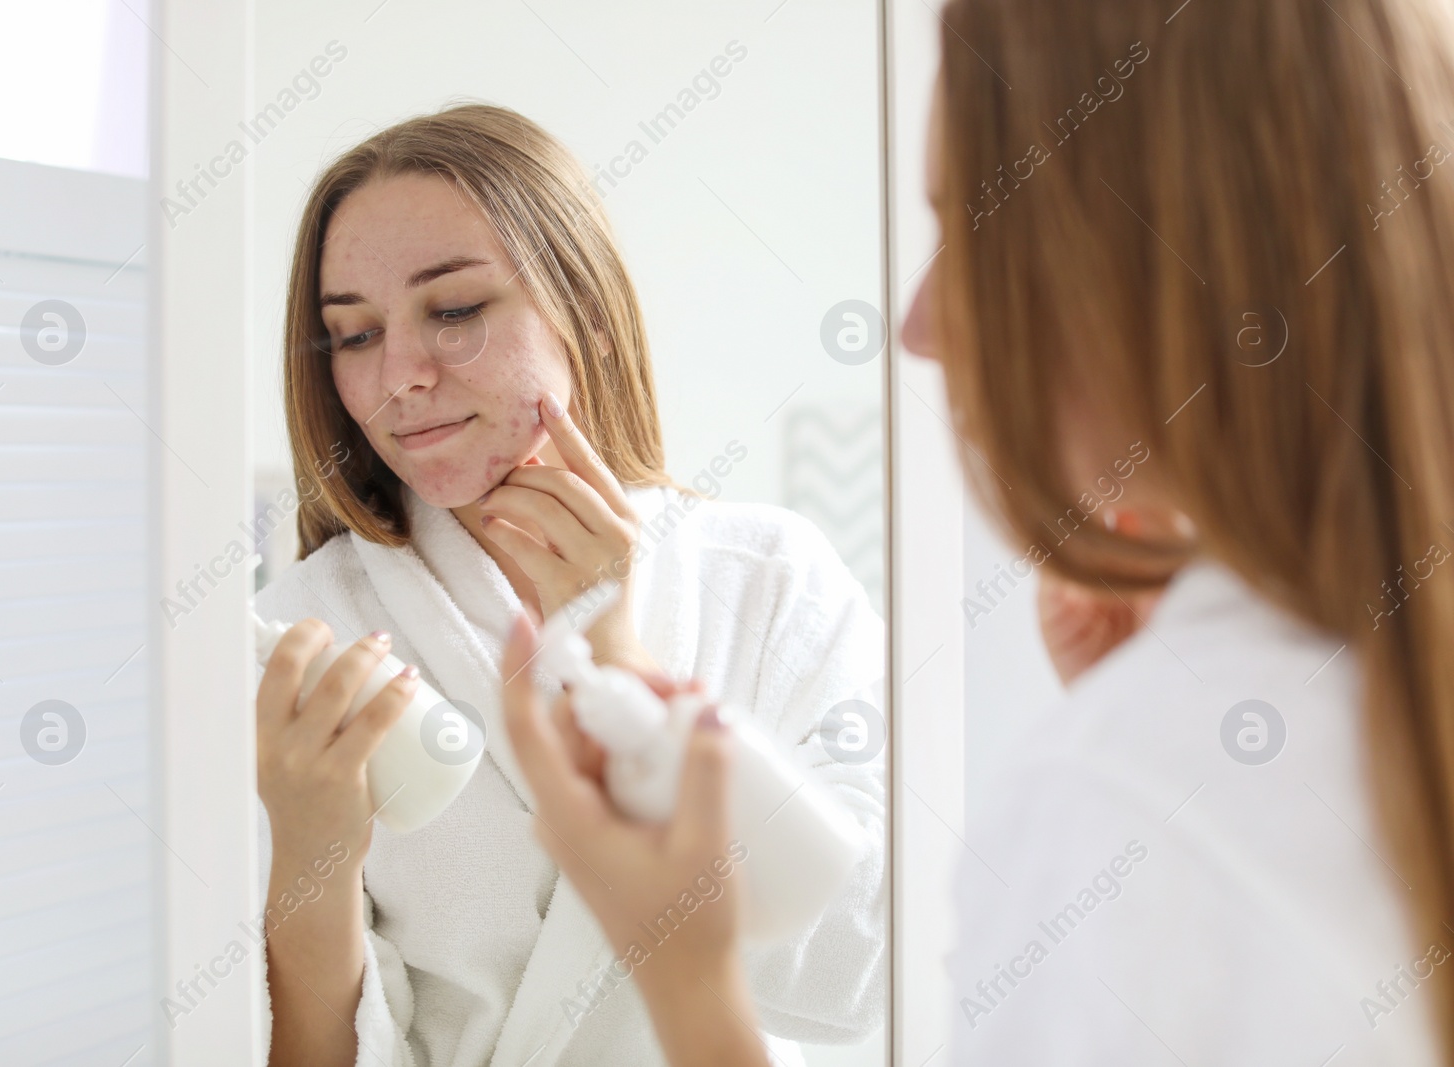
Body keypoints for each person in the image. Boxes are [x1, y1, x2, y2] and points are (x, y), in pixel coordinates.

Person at [499, 0, 1454, 1062]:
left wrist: (681, 973)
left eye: (971, 223)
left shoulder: (1124, 781)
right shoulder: (1222, 736)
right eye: (348, 330)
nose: (917, 323)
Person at [251, 103, 886, 1067]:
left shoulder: (769, 580)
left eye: (455, 311)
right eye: (353, 333)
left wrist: (622, 673)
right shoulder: (305, 630)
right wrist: (313, 855)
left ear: (580, 307)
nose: (400, 374)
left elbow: (860, 975)